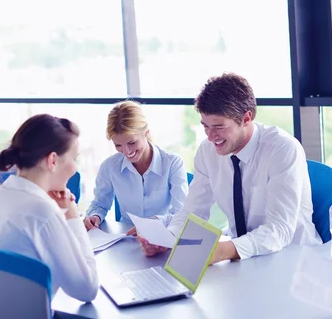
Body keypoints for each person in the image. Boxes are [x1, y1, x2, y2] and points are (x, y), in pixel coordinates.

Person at [137, 73, 322, 264]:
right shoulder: (207, 152)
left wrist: (225, 250)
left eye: (219, 127)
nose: (210, 136)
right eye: (205, 126)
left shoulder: (282, 149)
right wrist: (168, 239)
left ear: (246, 118)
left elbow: (280, 229)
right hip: (242, 258)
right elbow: (192, 211)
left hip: (293, 258)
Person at [0, 114, 98, 302]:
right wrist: (72, 215)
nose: (74, 169)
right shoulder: (42, 212)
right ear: (53, 160)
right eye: (74, 160)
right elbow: (87, 289)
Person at [83, 101, 188, 234]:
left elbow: (182, 214)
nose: (126, 152)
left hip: (163, 236)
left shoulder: (172, 163)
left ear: (146, 133)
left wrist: (156, 222)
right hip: (127, 239)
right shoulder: (110, 167)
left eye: (132, 142)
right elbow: (99, 204)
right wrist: (94, 216)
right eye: (118, 145)